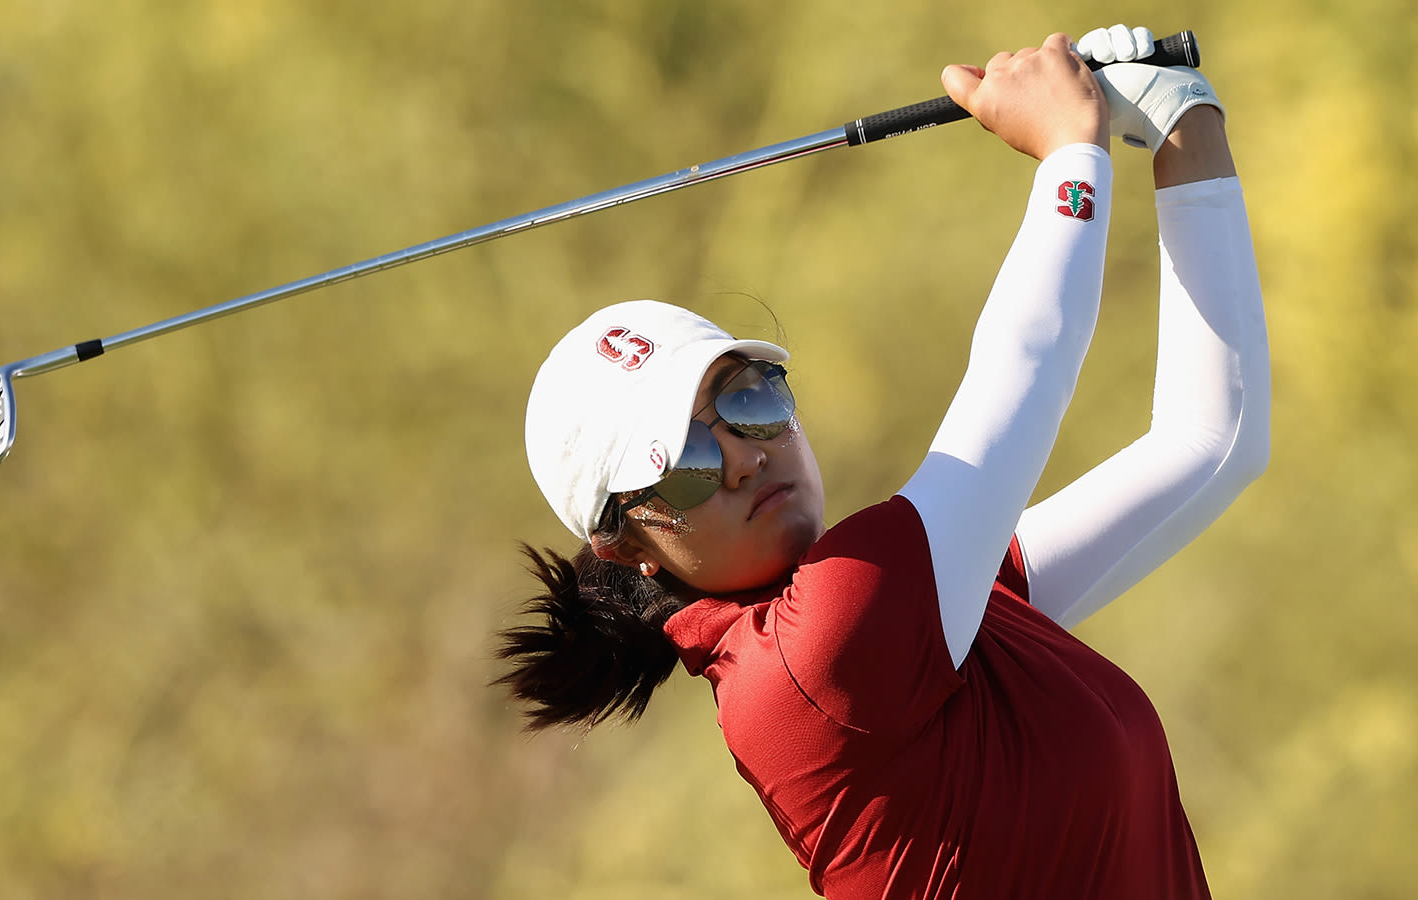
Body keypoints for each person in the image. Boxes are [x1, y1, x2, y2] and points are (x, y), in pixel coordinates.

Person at [500, 24, 1268, 900]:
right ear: (625, 545)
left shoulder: (935, 606)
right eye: (683, 463)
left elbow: (1214, 442)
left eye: (748, 400)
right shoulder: (825, 646)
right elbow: (1025, 371)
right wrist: (1070, 154)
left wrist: (1181, 124)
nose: (744, 458)